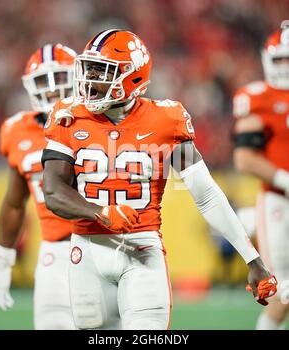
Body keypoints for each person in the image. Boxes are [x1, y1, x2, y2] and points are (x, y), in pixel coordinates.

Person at [42, 29, 277, 330]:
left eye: (103, 71)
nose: (90, 79)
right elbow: (53, 191)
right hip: (87, 251)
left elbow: (205, 195)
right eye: (90, 68)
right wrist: (99, 212)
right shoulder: (68, 116)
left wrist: (252, 258)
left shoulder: (165, 121)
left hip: (142, 249)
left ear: (133, 77)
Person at [0, 44, 77, 330]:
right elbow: (15, 202)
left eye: (60, 79)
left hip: (103, 245)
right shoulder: (17, 130)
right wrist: (2, 261)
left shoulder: (98, 123)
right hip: (56, 253)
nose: (52, 90)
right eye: (43, 81)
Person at [233, 21, 289, 330]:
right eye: (280, 58)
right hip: (279, 200)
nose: (285, 66)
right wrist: (285, 180)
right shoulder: (257, 97)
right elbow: (244, 158)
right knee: (282, 289)